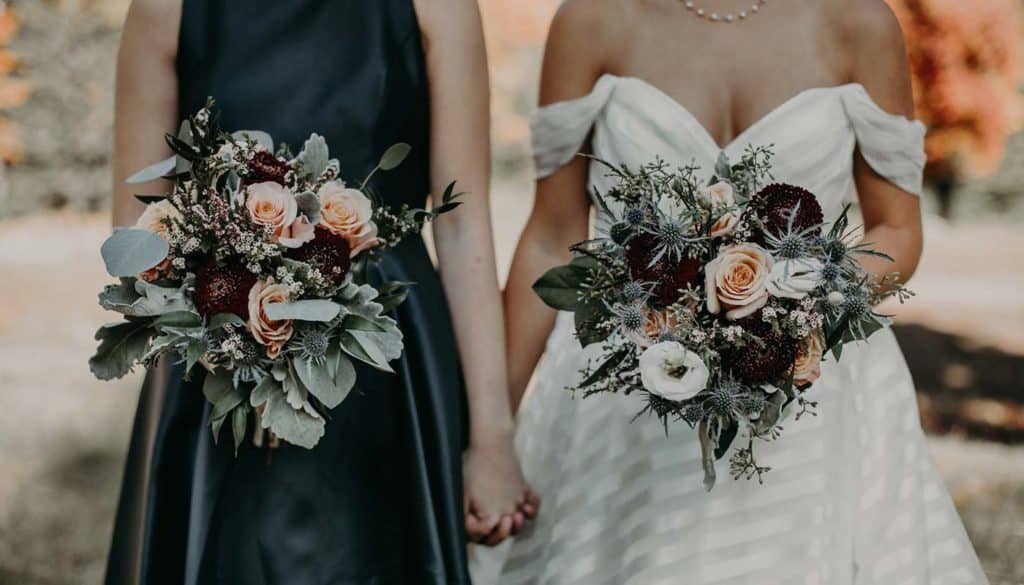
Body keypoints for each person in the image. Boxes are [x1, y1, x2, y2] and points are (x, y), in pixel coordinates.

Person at [474, 0, 989, 583]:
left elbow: (899, 229)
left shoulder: (856, 20)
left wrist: (795, 313)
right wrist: (489, 431)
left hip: (810, 395)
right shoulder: (593, 19)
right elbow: (550, 236)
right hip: (625, 400)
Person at [106, 0, 536, 583]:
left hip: (389, 364)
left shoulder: (440, 8)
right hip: (216, 363)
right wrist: (235, 324)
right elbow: (138, 238)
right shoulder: (164, 8)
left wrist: (491, 438)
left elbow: (462, 227)